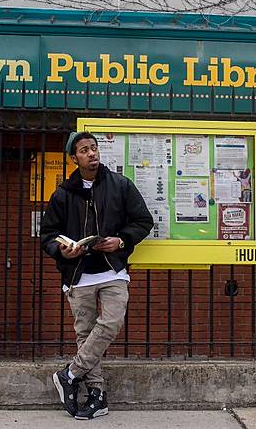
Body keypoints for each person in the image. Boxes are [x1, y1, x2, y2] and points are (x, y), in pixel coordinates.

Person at [41, 131, 153, 419]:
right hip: (78, 275)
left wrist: (122, 241)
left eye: (94, 148)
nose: (91, 153)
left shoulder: (120, 185)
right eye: (84, 150)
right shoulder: (63, 194)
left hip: (112, 269)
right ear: (74, 158)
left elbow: (143, 220)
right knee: (85, 334)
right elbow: (48, 236)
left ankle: (70, 373)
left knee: (112, 322)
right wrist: (62, 250)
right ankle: (97, 395)